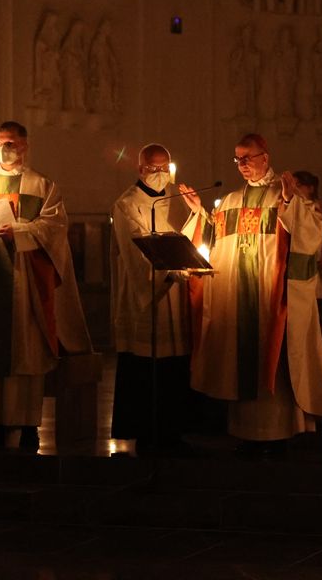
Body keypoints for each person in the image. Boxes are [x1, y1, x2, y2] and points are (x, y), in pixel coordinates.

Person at [179, 133, 322, 454]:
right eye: (237, 159)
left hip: (271, 299)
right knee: (240, 365)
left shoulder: (286, 195)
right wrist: (198, 214)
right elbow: (215, 242)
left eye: (248, 158)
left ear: (265, 157)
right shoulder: (233, 201)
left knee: (273, 362)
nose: (242, 165)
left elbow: (309, 239)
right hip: (240, 299)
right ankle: (245, 435)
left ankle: (277, 436)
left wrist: (291, 204)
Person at [0, 121, 93, 450]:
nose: (3, 148)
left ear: (25, 145)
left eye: (10, 142)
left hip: (24, 285)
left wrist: (23, 232)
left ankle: (25, 423)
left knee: (23, 351)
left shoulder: (43, 186)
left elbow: (54, 229)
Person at [109, 143, 197, 452]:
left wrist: (198, 212)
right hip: (146, 294)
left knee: (174, 364)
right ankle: (147, 432)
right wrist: (168, 272)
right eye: (152, 169)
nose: (159, 175)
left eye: (164, 169)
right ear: (140, 169)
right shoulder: (127, 204)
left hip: (177, 295)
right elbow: (136, 251)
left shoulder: (178, 200)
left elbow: (195, 234)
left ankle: (173, 432)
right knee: (147, 365)